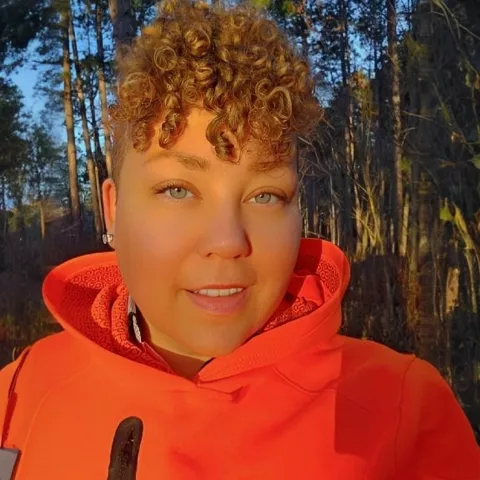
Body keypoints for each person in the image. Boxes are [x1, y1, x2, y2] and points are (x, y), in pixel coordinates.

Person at [0, 1, 478, 478]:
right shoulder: (19, 395)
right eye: (178, 190)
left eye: (265, 195)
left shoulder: (402, 412)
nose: (228, 241)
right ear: (114, 208)